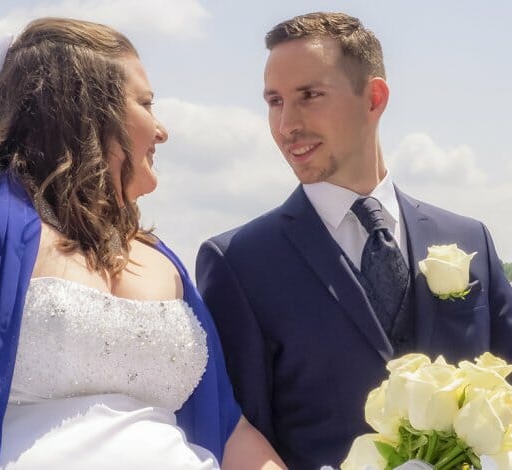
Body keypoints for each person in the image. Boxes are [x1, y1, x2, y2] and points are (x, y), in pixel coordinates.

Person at [0, 17, 285, 470]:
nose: (161, 129)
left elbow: (227, 428)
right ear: (84, 108)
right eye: (146, 103)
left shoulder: (158, 258)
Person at [196, 11, 512, 469]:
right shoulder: (239, 263)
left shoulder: (469, 240)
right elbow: (238, 433)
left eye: (310, 96)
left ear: (374, 97)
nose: (287, 125)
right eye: (275, 101)